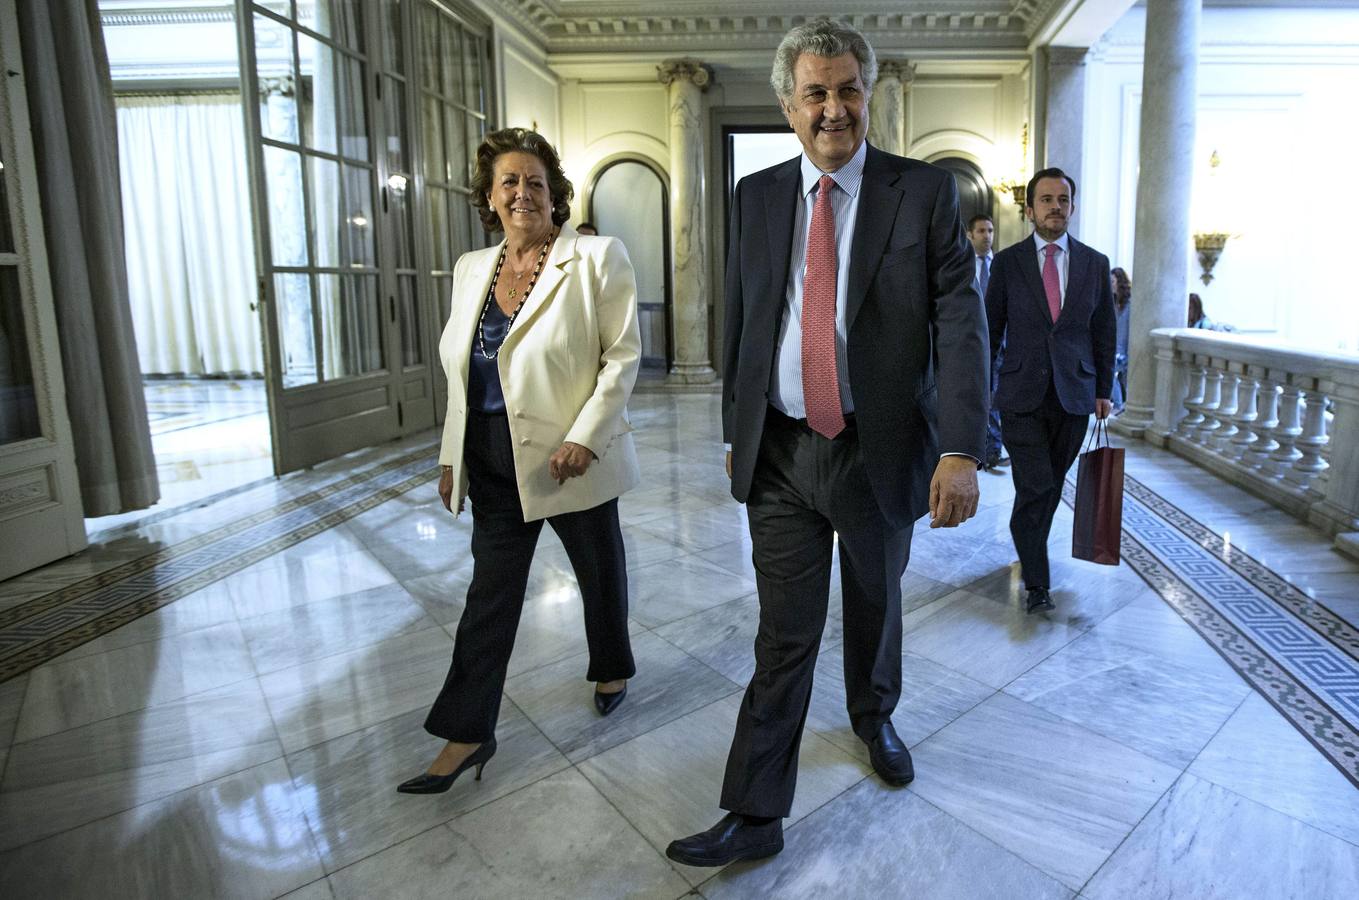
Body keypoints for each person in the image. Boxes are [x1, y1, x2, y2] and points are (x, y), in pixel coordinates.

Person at [666, 19, 988, 867]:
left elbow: (960, 323)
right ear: (788, 104)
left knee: (874, 604)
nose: (833, 109)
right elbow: (743, 319)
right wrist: (736, 428)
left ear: (867, 94)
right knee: (783, 633)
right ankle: (754, 811)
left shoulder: (921, 195)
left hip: (875, 449)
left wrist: (960, 446)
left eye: (847, 89)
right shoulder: (757, 196)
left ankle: (873, 714)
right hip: (778, 449)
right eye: (815, 92)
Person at [397, 128, 643, 795]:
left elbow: (621, 357)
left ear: (555, 196)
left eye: (534, 182)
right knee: (489, 597)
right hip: (490, 457)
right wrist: (453, 456)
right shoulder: (470, 267)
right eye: (508, 182)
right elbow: (462, 373)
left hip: (570, 456)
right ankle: (467, 732)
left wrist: (586, 435)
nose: (522, 193)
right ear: (488, 197)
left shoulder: (594, 258)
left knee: (598, 569)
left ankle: (611, 664)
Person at [985, 167, 1116, 614]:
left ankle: (1029, 552)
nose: (1055, 207)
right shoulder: (1007, 263)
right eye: (1046, 200)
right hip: (1021, 393)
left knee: (1048, 486)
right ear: (1030, 210)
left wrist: (1104, 388)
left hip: (1075, 395)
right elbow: (990, 328)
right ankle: (1037, 584)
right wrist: (981, 388)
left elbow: (1104, 332)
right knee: (1036, 483)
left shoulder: (1095, 264)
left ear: (1072, 208)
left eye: (1063, 200)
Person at [970, 213, 1007, 469]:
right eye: (982, 231)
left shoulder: (1002, 266)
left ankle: (993, 449)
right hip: (969, 342)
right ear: (970, 235)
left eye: (991, 231)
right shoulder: (961, 265)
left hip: (998, 344)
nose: (987, 236)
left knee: (993, 394)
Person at [1110, 267, 1131, 412]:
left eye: (1112, 281)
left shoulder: (1130, 304)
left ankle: (1121, 406)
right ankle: (1119, 406)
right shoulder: (1114, 302)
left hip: (1126, 349)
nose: (1110, 284)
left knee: (1122, 380)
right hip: (1116, 348)